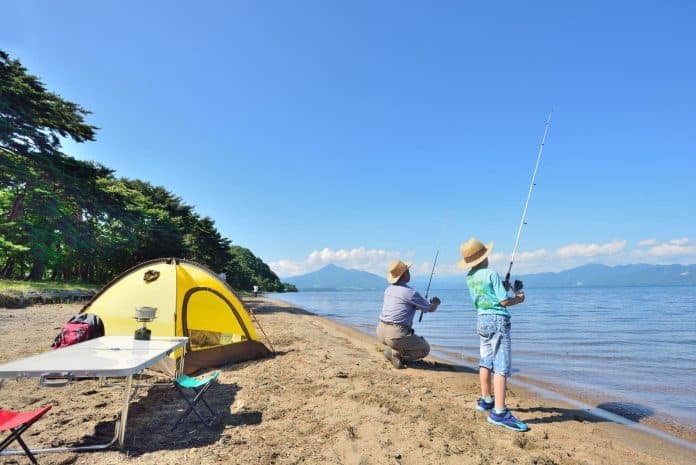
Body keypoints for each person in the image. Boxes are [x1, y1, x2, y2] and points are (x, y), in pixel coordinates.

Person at [458, 237, 528, 432]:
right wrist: (519, 298)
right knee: (501, 367)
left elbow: (488, 295)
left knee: (485, 361)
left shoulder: (470, 277)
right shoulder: (492, 274)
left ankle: (486, 399)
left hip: (481, 320)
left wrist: (501, 289)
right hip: (498, 321)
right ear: (484, 258)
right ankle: (499, 412)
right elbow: (504, 302)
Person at [376, 260, 441, 369]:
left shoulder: (388, 290)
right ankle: (399, 357)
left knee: (402, 340)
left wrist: (417, 305)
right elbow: (430, 309)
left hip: (380, 331)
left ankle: (393, 351)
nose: (410, 272)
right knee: (424, 348)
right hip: (395, 334)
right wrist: (436, 303)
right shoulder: (410, 292)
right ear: (404, 274)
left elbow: (400, 307)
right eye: (408, 270)